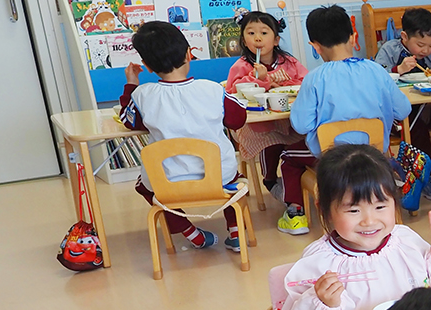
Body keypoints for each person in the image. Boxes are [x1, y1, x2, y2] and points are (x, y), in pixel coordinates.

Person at [276, 144, 431, 310]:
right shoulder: (319, 262)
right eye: (353, 210)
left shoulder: (406, 241)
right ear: (324, 211)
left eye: (380, 207)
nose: (369, 221)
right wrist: (323, 304)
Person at [278, 5, 411, 236]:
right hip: (375, 155)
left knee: (287, 157)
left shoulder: (315, 78)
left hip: (333, 161)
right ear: (353, 36)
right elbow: (403, 109)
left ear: (315, 46)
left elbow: (300, 125)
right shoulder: (376, 70)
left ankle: (296, 212)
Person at [120, 21, 247, 251]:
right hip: (218, 177)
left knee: (145, 186)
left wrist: (131, 84)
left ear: (147, 65)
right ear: (190, 54)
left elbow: (129, 121)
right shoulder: (212, 89)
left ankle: (191, 233)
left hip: (168, 181)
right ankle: (236, 230)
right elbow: (238, 119)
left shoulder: (143, 95)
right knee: (235, 179)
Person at [374, 8, 431, 200]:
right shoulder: (389, 49)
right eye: (420, 44)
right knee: (416, 126)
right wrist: (398, 69)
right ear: (405, 36)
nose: (426, 50)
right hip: (398, 114)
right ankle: (427, 176)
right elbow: (378, 78)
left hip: (427, 105)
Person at [223, 10, 307, 198]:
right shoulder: (241, 66)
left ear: (276, 40)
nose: (258, 38)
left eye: (264, 32)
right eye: (251, 33)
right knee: (271, 141)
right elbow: (232, 92)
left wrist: (281, 84)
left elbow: (305, 82)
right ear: (244, 41)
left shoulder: (289, 62)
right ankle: (269, 179)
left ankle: (295, 178)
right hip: (257, 125)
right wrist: (260, 80)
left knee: (303, 139)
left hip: (287, 119)